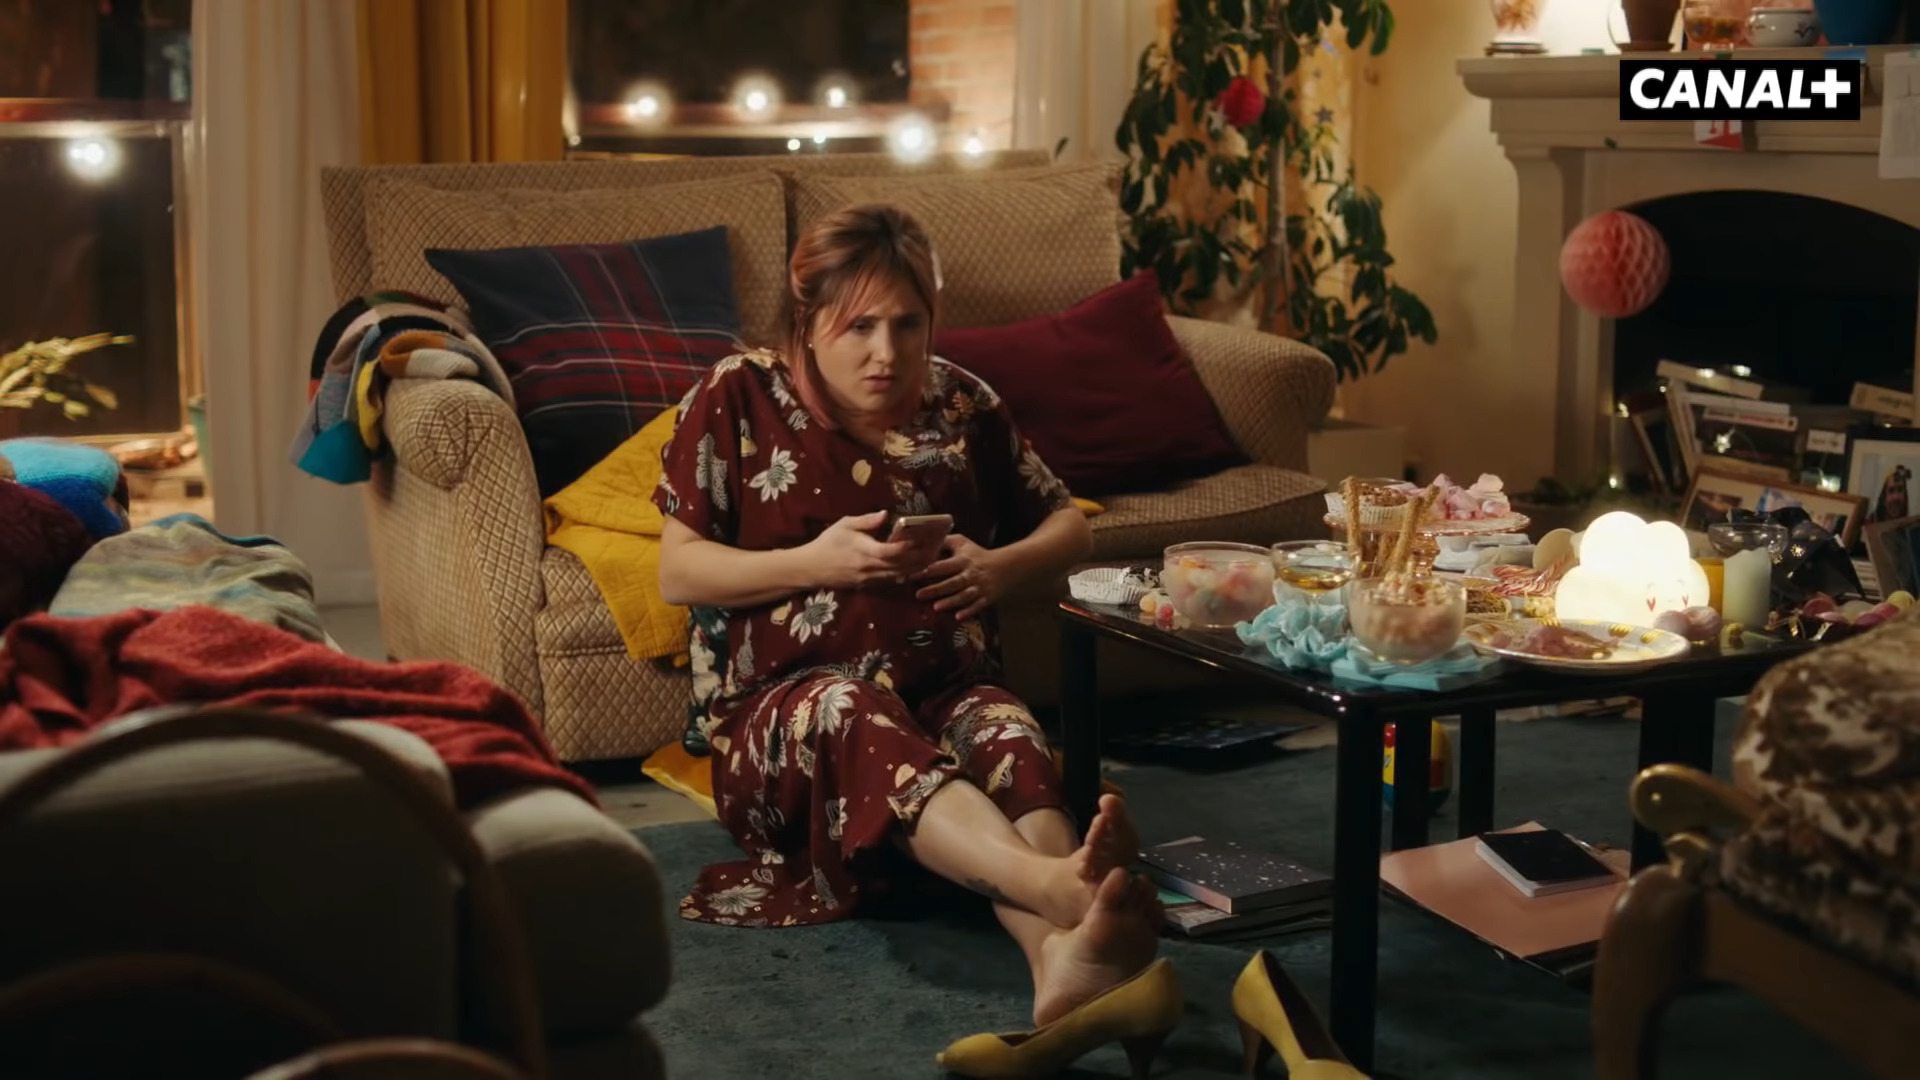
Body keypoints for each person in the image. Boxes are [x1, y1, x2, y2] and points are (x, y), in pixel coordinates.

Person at [653, 203, 1163, 1030]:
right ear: (807, 320)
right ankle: (1062, 887)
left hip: (944, 691)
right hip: (792, 722)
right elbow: (678, 572)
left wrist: (999, 567)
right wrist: (818, 563)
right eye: (859, 327)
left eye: (907, 324)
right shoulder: (738, 394)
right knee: (854, 712)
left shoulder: (961, 402)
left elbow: (1068, 524)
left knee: (1006, 730)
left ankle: (1059, 958)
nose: (886, 353)